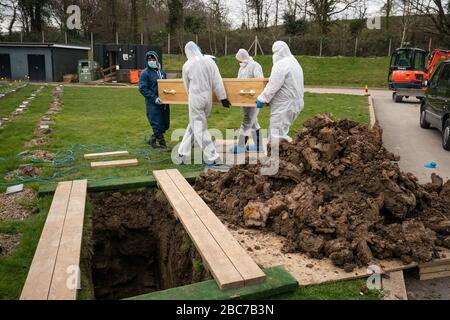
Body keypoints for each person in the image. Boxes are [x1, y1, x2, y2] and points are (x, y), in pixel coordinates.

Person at [177, 41, 232, 166]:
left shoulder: (187, 65)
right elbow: (217, 80)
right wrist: (222, 97)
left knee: (199, 128)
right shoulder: (209, 61)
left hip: (195, 98)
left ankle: (213, 156)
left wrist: (191, 97)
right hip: (208, 98)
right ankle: (182, 153)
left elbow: (186, 86)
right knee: (195, 125)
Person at [256, 41, 304, 144]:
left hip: (284, 104)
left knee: (276, 134)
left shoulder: (281, 64)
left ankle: (275, 158)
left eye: (275, 52)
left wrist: (262, 98)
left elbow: (273, 85)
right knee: (281, 132)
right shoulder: (294, 62)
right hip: (295, 103)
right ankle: (282, 156)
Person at [231, 49, 265, 154]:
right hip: (244, 100)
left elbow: (259, 81)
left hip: (253, 99)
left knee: (247, 121)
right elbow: (239, 82)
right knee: (253, 122)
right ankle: (259, 146)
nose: (239, 61)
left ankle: (241, 146)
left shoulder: (255, 65)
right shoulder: (241, 68)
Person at [139, 50, 171, 151]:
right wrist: (154, 98)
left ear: (157, 59)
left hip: (164, 103)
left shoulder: (162, 72)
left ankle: (152, 139)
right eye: (149, 59)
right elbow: (143, 88)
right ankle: (162, 145)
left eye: (153, 59)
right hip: (153, 103)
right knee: (156, 123)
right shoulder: (145, 73)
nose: (151, 61)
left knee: (164, 124)